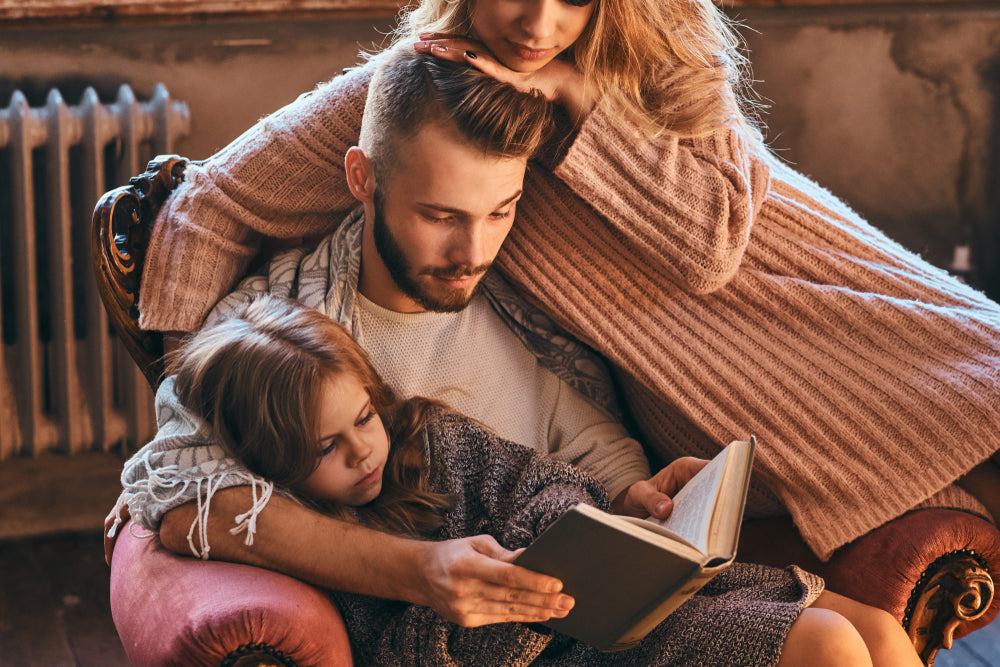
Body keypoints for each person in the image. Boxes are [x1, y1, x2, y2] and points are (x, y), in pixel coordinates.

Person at [134, 0, 1000, 561]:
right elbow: (206, 205)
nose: (539, 20)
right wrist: (210, 396)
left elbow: (710, 247)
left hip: (815, 287)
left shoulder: (664, 53)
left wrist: (573, 92)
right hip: (708, 378)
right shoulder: (428, 87)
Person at [110, 45, 693, 628]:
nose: (474, 254)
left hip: (577, 595)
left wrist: (631, 497)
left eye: (499, 212)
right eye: (441, 216)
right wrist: (419, 570)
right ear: (362, 177)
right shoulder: (275, 331)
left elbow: (589, 436)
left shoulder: (524, 299)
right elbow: (186, 496)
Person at [120, 292, 920, 666]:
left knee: (880, 629)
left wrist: (595, 521)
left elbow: (533, 481)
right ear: (274, 458)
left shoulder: (428, 437)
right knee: (828, 646)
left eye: (363, 416)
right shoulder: (332, 551)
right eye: (326, 446)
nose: (364, 452)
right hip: (570, 649)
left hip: (625, 588)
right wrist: (526, 593)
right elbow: (420, 655)